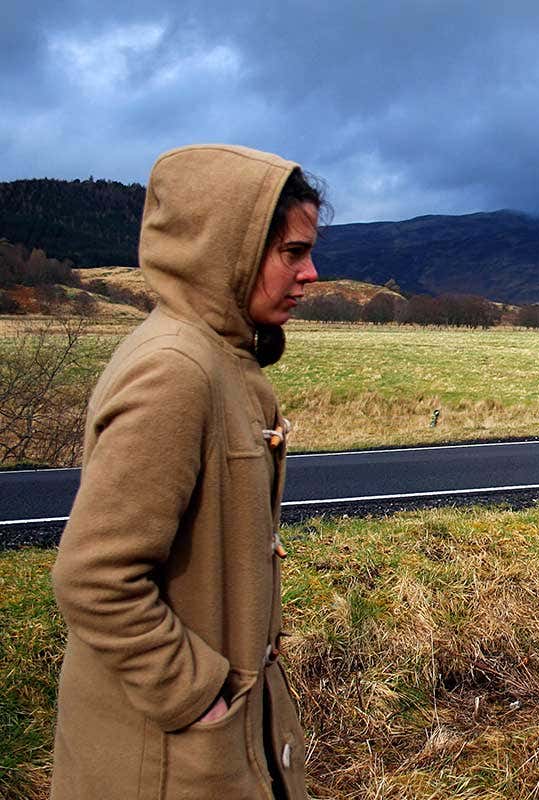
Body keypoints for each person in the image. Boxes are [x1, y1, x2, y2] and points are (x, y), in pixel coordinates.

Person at [50, 144, 323, 799]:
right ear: (223, 247)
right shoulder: (177, 371)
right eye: (291, 252)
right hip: (166, 762)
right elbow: (95, 577)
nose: (311, 274)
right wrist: (197, 695)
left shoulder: (218, 361)